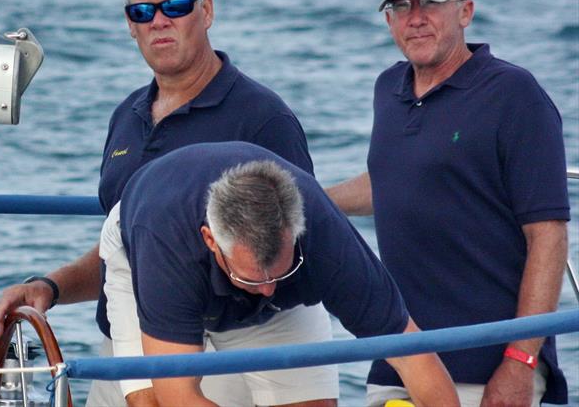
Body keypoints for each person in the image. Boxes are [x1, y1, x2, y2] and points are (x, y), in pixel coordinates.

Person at [0, 0, 336, 406]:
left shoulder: (262, 120)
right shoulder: (127, 117)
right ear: (130, 27)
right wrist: (50, 287)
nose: (159, 22)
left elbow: (295, 255)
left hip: (216, 349)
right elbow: (128, 245)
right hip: (121, 346)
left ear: (207, 10)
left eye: (175, 6)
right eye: (142, 12)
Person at [326, 0, 570, 406]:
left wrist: (520, 361)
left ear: (466, 12)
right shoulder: (388, 89)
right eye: (401, 6)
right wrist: (311, 199)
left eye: (430, 3)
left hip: (488, 366)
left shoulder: (514, 95)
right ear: (388, 21)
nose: (415, 18)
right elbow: (392, 180)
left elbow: (549, 235)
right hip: (400, 355)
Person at [99, 141, 459, 407]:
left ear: (297, 232)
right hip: (143, 252)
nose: (269, 292)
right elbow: (176, 395)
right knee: (150, 402)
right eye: (254, 278)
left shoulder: (324, 236)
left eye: (281, 273)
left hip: (243, 258)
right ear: (210, 240)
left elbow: (412, 353)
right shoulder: (165, 245)